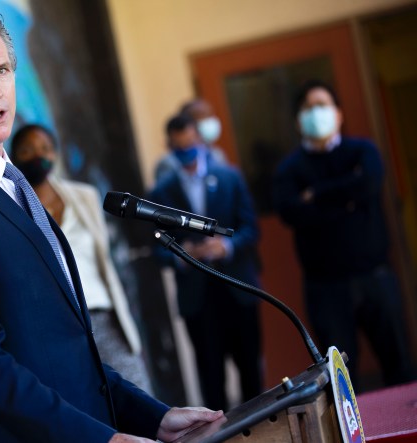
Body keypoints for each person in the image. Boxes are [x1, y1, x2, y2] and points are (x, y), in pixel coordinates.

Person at [0, 6, 223, 443]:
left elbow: (62, 351)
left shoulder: (11, 184)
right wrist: (99, 439)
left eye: (2, 70)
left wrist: (153, 417)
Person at [273, 79, 415, 387]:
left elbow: (369, 183)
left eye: (323, 105)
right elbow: (290, 211)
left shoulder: (363, 150)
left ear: (338, 114)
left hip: (375, 277)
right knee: (340, 381)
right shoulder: (289, 169)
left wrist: (315, 196)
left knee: (400, 365)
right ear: (299, 120)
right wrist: (346, 195)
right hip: (326, 288)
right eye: (309, 108)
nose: (317, 113)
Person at [9, 123, 152, 392]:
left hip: (104, 316)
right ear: (14, 157)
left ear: (56, 153)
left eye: (45, 148)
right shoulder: (14, 207)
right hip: (57, 325)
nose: (38, 156)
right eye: (28, 150)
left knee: (141, 397)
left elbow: (104, 260)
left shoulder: (84, 196)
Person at [148, 114, 263, 411]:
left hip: (237, 289)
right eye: (179, 147)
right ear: (170, 147)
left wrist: (226, 245)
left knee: (252, 371)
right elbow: (157, 250)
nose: (187, 152)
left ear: (200, 141)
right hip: (199, 300)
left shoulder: (229, 177)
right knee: (212, 380)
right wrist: (184, 254)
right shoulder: (162, 193)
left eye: (191, 145)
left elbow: (250, 228)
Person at [154, 98, 227, 184]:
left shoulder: (216, 154)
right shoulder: (168, 164)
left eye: (210, 115)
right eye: (203, 117)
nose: (209, 121)